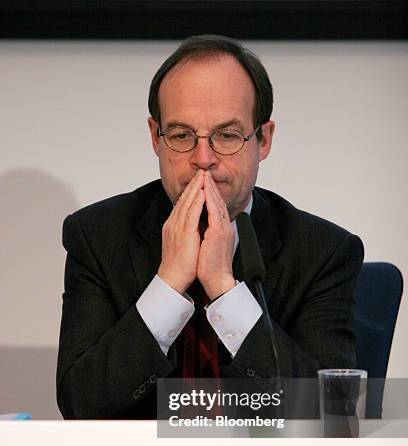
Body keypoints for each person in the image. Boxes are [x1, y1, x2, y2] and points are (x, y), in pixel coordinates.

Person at [56, 34, 364, 419]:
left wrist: (223, 288)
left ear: (263, 139)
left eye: (227, 136)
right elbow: (79, 404)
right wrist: (168, 284)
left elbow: (331, 409)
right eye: (183, 135)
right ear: (156, 137)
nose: (204, 159)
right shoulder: (97, 237)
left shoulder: (323, 251)